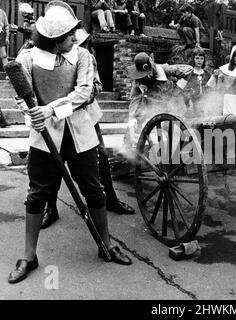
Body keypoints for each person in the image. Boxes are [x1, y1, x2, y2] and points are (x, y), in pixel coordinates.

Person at [8, 1, 131, 285]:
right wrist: (31, 113)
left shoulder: (84, 55)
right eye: (68, 36)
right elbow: (20, 92)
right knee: (37, 193)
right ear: (54, 41)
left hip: (80, 132)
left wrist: (50, 109)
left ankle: (106, 244)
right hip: (44, 136)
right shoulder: (27, 58)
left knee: (94, 189)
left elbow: (85, 92)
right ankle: (29, 255)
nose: (75, 38)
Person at [41, 28, 136, 230]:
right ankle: (51, 207)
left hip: (86, 116)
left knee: (100, 158)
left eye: (79, 42)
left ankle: (111, 199)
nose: (76, 46)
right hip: (56, 118)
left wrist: (87, 92)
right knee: (54, 162)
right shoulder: (48, 58)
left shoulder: (87, 58)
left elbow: (97, 85)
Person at [125, 52, 193, 147]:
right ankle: (129, 150)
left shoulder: (165, 69)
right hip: (151, 104)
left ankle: (174, 151)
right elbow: (133, 109)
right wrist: (132, 132)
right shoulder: (137, 84)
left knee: (173, 131)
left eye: (147, 74)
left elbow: (189, 70)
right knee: (134, 126)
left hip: (171, 103)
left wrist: (177, 90)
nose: (145, 77)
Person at [207, 45, 236, 115]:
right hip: (229, 99)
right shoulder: (223, 70)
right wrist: (216, 77)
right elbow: (210, 85)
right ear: (232, 56)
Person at [180, 48, 212, 117]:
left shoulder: (207, 75)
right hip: (190, 106)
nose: (199, 61)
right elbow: (181, 89)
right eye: (197, 58)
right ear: (193, 59)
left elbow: (210, 91)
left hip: (204, 106)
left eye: (201, 58)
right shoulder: (188, 74)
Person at [0, 6, 9, 75]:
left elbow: (6, 26)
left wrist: (7, 37)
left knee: (3, 55)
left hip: (0, 34)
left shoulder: (2, 13)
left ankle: (8, 74)